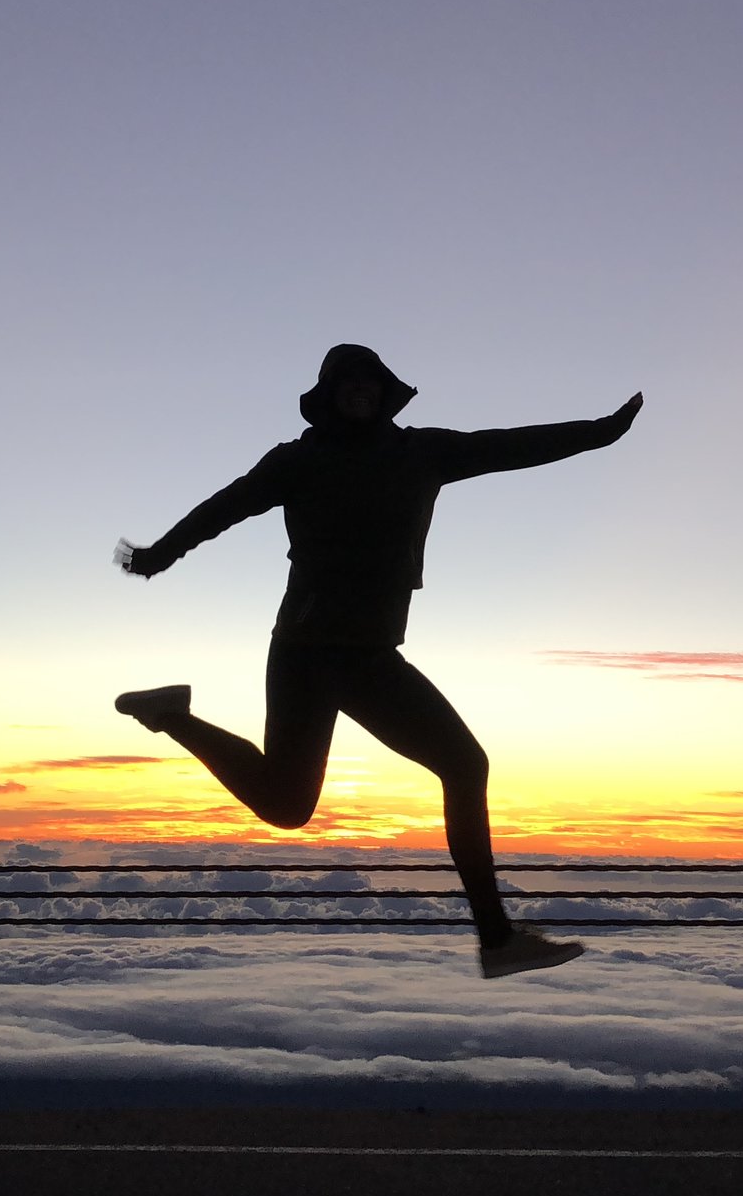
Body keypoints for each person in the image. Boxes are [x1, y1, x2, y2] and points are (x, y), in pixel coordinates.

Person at [112, 343, 643, 978]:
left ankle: (172, 715)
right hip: (310, 651)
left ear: (385, 390)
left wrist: (601, 433)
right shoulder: (299, 460)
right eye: (346, 382)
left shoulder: (423, 453)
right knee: (416, 775)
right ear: (329, 393)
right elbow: (224, 507)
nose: (359, 391)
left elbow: (509, 446)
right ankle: (498, 939)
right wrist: (159, 554)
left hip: (368, 652)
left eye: (370, 381)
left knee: (307, 801)